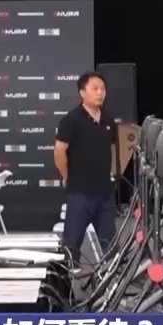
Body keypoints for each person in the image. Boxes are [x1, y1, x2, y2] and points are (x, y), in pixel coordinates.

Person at [54, 71, 117, 265]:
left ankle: (110, 280)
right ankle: (67, 281)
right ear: (82, 93)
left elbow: (112, 147)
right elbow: (59, 152)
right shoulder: (71, 120)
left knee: (111, 247)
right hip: (80, 194)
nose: (100, 93)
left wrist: (112, 171)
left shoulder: (108, 119)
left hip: (105, 194)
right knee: (71, 247)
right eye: (95, 89)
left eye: (102, 89)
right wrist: (67, 176)